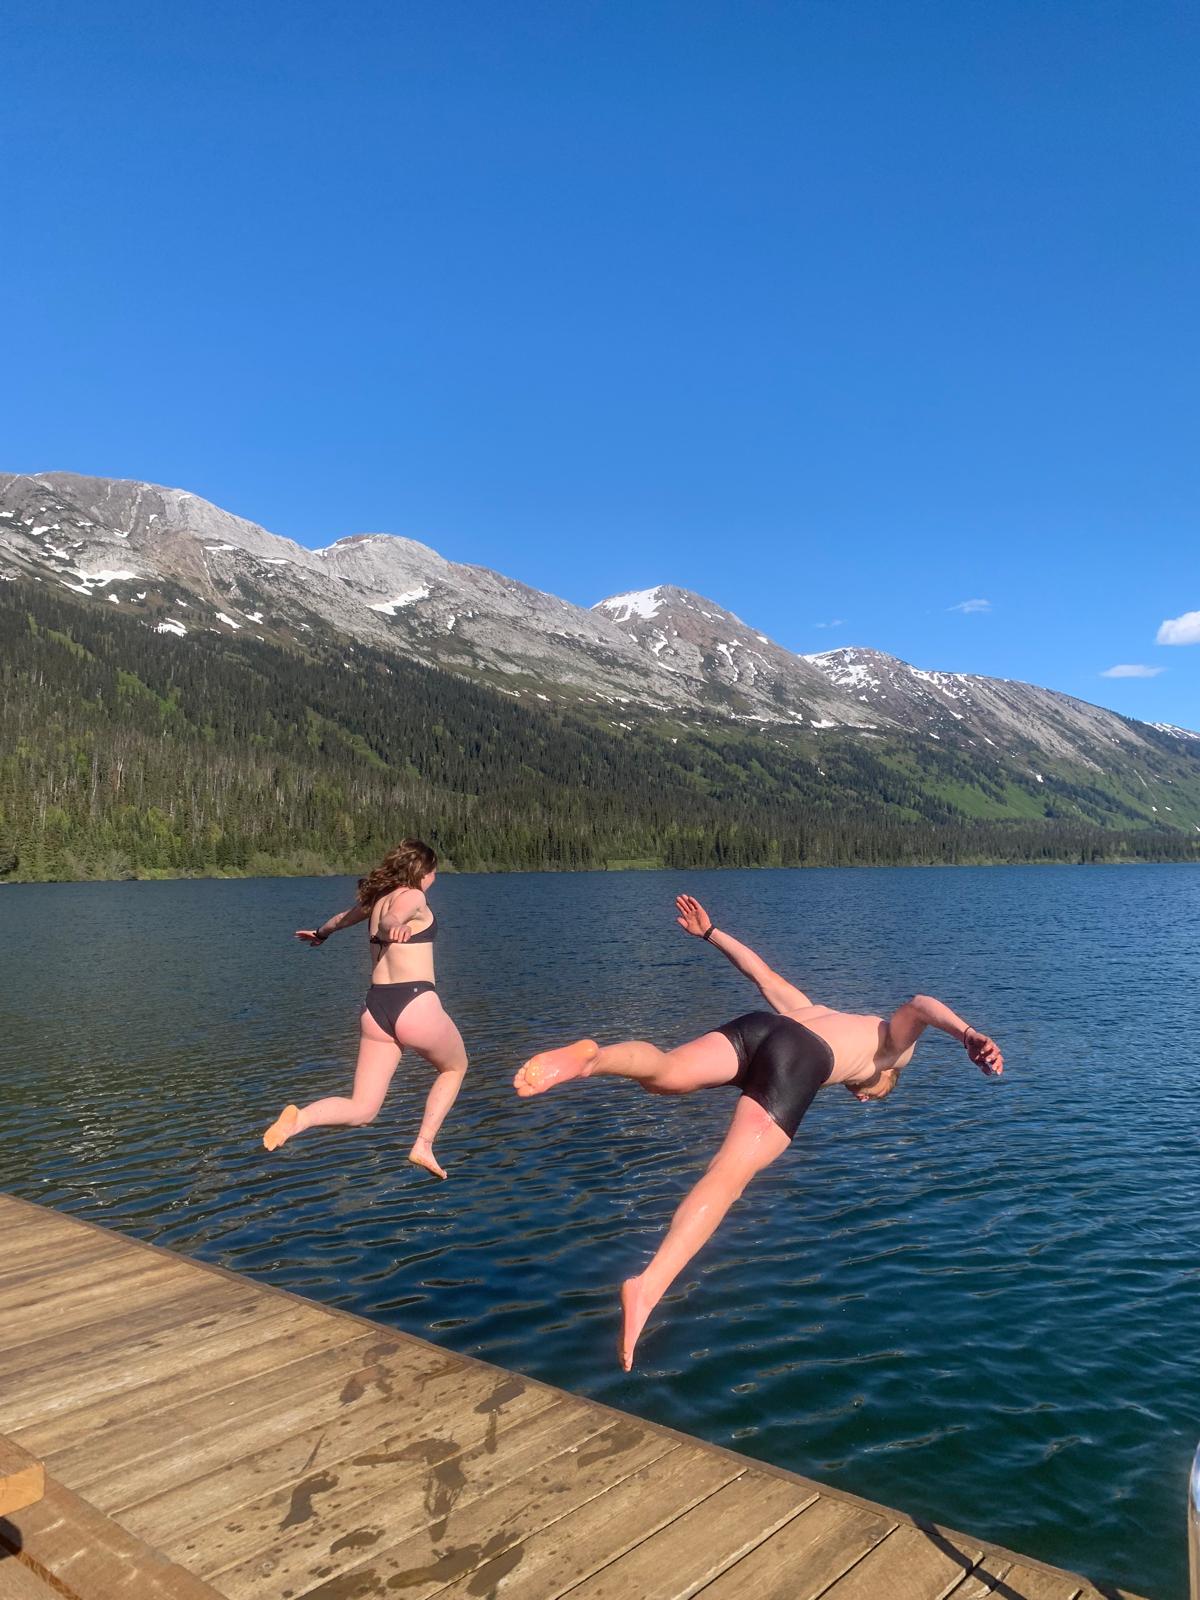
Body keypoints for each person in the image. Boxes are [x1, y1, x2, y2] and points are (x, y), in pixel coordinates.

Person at [514, 892, 1003, 1369]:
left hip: (762, 1028)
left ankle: (592, 1059)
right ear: (885, 1079)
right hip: (799, 1058)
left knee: (663, 1074)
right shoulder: (892, 1053)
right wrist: (968, 1035)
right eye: (873, 1095)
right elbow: (918, 1005)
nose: (861, 1096)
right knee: (728, 1177)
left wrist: (710, 933)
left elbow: (759, 972)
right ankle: (649, 1286)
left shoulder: (814, 1006)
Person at [263, 839, 468, 1179]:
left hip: (376, 1009)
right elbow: (393, 920)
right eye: (433, 873)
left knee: (362, 1109)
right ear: (423, 872)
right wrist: (393, 928)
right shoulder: (413, 895)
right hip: (415, 1001)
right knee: (455, 1067)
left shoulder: (375, 901)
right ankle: (424, 1144)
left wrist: (320, 933)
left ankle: (301, 1119)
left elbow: (340, 920)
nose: (434, 879)